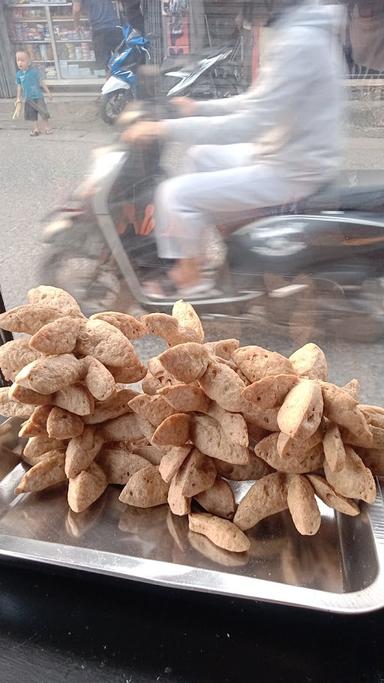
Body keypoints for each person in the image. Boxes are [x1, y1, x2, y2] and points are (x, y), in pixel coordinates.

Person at [122, 0, 346, 298]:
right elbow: (259, 101)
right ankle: (228, 251)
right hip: (288, 153)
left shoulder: (299, 41)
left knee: (173, 194)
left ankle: (191, 281)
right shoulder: (303, 31)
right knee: (199, 156)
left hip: (291, 168)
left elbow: (252, 122)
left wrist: (166, 128)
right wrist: (199, 108)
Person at [72, 0, 121, 71]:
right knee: (121, 61)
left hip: (99, 29)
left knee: (106, 65)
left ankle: (110, 80)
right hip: (114, 26)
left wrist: (76, 24)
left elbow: (77, 9)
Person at [15, 50, 52, 137]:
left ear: (28, 62)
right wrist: (18, 98)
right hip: (28, 98)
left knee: (44, 112)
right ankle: (36, 129)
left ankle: (47, 128)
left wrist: (48, 93)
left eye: (22, 60)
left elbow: (41, 82)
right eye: (18, 60)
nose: (20, 62)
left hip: (38, 97)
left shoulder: (34, 72)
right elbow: (19, 86)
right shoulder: (18, 74)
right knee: (32, 114)